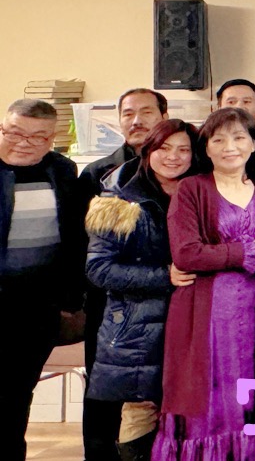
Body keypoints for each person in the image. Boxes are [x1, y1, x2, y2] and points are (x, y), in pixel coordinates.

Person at [156, 108, 255, 461]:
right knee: (208, 398)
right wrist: (253, 248)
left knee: (251, 395)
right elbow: (186, 254)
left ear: (254, 144)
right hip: (206, 313)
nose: (230, 146)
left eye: (239, 137)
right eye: (219, 139)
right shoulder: (191, 189)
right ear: (207, 148)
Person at [85, 119, 199, 461]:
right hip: (137, 327)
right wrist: (164, 276)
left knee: (188, 420)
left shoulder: (204, 193)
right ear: (148, 151)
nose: (173, 157)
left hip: (192, 323)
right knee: (140, 416)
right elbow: (99, 268)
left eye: (183, 150)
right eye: (164, 148)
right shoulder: (118, 198)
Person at [80, 87, 168, 461]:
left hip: (167, 305)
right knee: (104, 398)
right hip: (111, 307)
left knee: (155, 401)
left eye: (146, 112)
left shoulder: (182, 173)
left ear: (163, 117)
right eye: (128, 113)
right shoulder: (101, 176)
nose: (136, 120)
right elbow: (89, 254)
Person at [0, 99, 86, 460]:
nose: (24, 143)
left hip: (37, 305)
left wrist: (71, 299)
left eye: (38, 137)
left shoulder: (62, 170)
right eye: (14, 133)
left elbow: (75, 236)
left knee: (17, 395)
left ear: (52, 139)